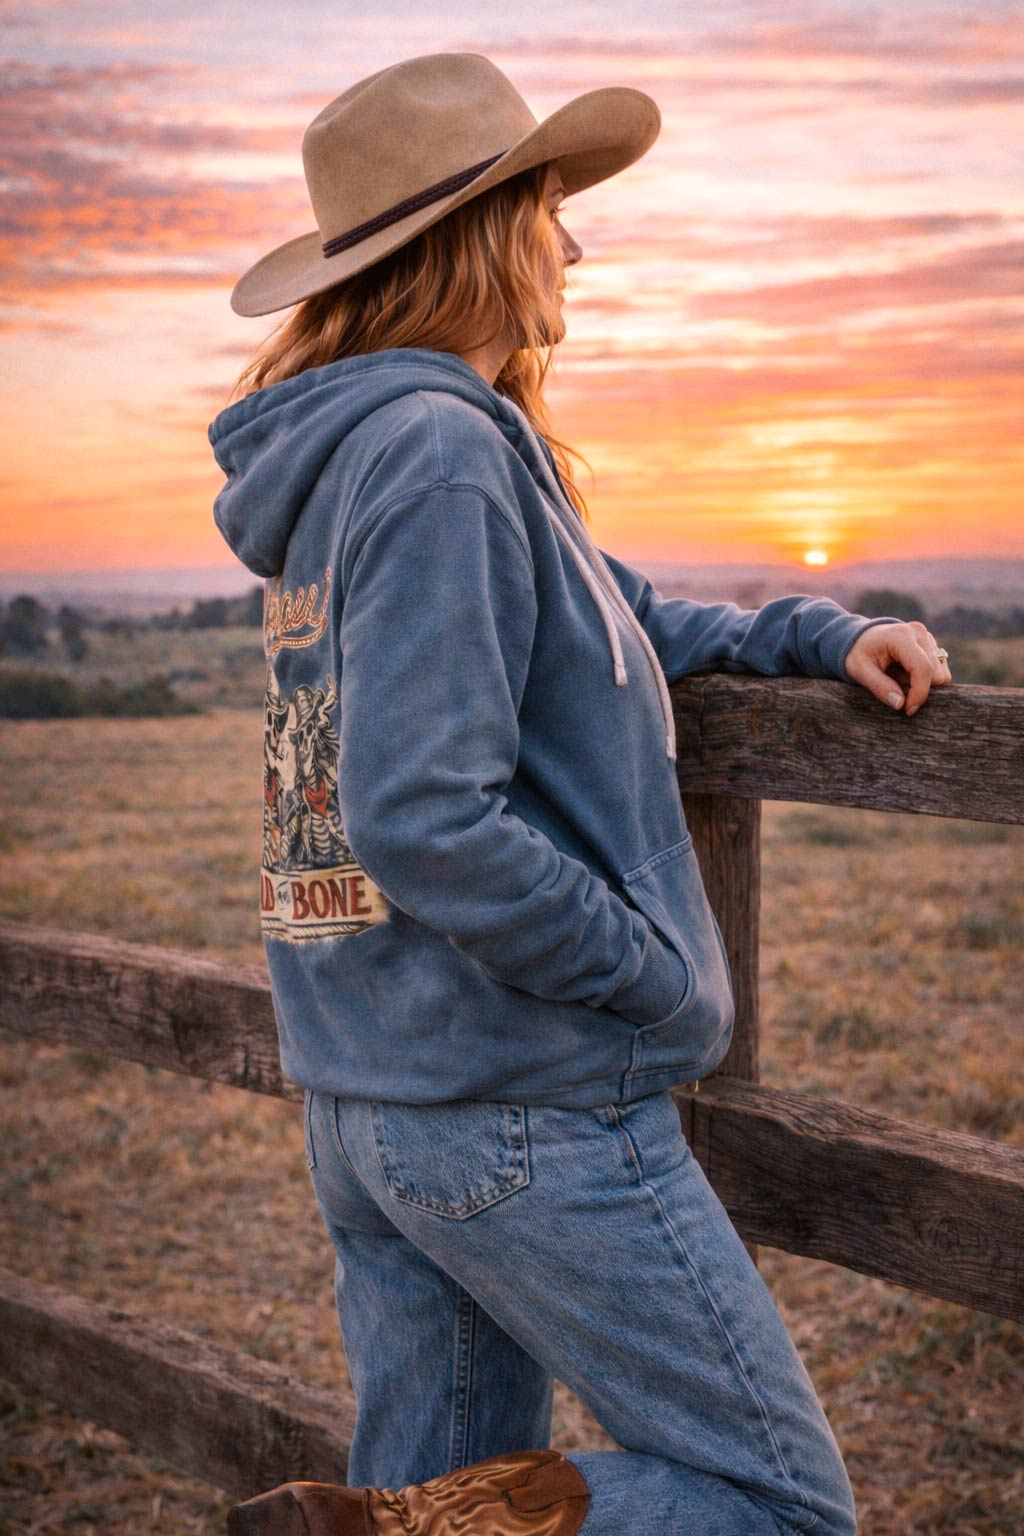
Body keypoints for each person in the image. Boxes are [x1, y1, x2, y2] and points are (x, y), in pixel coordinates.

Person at [208, 51, 951, 1536]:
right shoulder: (434, 457)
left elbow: (607, 629)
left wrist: (817, 629)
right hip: (511, 1095)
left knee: (434, 1489)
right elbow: (421, 813)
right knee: (782, 1505)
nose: (575, 244)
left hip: (380, 1088)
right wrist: (641, 977)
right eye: (550, 208)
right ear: (481, 234)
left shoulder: (381, 457)